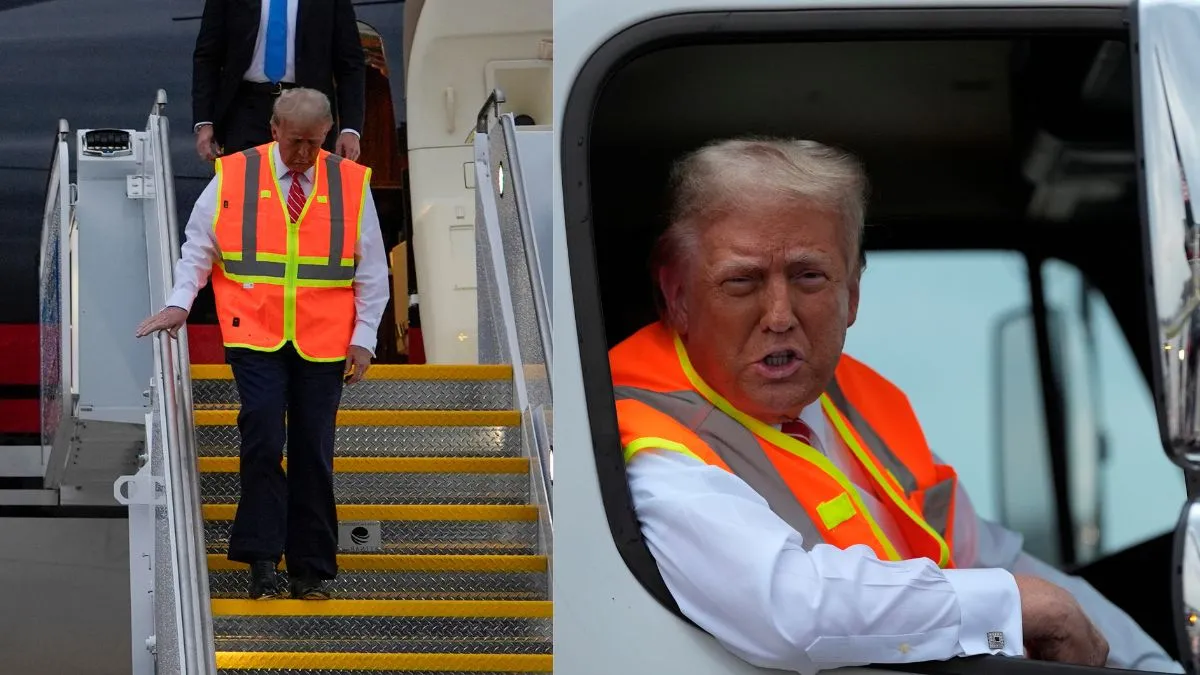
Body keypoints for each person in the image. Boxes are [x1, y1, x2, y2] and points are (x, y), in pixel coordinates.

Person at [609, 137, 1181, 674]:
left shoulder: (854, 399)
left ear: (852, 293)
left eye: (809, 276)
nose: (779, 315)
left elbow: (995, 560)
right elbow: (788, 608)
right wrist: (1005, 607)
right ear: (677, 296)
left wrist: (1152, 668)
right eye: (742, 282)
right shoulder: (643, 433)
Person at [136, 88, 389, 600]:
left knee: (314, 451)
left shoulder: (350, 183)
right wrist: (181, 303)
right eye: (295, 141)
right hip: (255, 332)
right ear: (274, 129)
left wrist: (364, 339)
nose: (303, 154)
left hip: (324, 340)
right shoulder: (234, 175)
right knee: (262, 441)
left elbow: (373, 270)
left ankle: (311, 569)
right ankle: (260, 562)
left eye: (314, 144)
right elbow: (198, 249)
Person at [191, 0, 366, 163]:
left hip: (309, 111)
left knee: (305, 190)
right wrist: (204, 121)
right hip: (246, 110)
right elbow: (208, 57)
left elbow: (350, 63)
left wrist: (350, 129)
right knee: (246, 188)